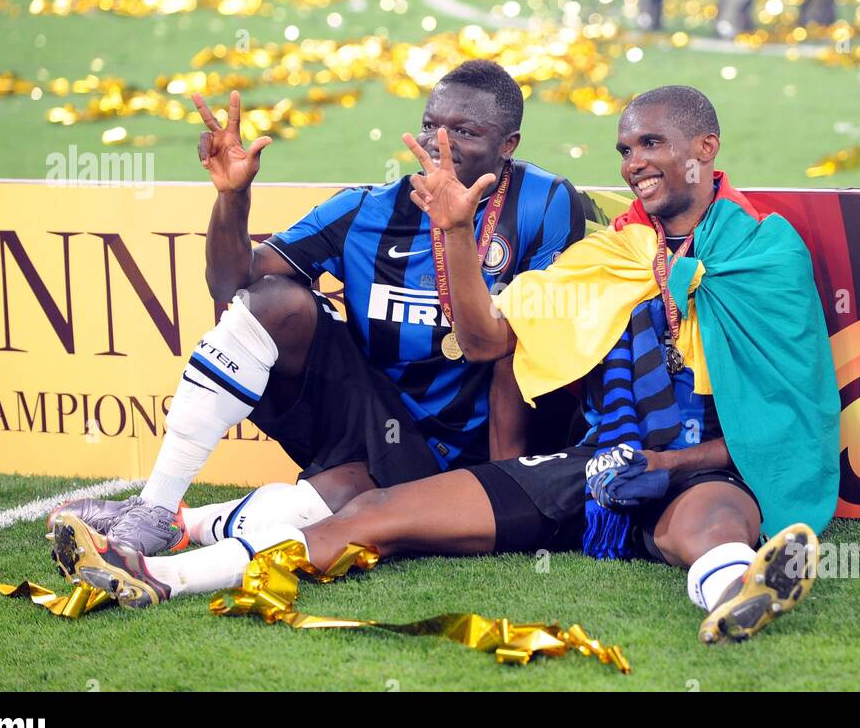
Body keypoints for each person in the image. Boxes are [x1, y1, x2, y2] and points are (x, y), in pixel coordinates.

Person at [51, 85, 841, 644]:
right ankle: (161, 563)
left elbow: (781, 422)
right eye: (627, 147)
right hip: (557, 463)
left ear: (707, 148)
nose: (634, 160)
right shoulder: (612, 251)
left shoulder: (761, 250)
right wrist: (453, 230)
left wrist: (663, 462)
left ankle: (740, 586)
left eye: (652, 143)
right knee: (357, 509)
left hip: (689, 467)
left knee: (710, 520)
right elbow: (497, 337)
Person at [48, 60, 596, 556]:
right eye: (431, 124)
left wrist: (502, 481)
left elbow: (502, 345)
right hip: (382, 423)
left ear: (509, 143)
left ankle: (185, 528)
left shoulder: (547, 204)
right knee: (273, 302)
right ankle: (156, 505)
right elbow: (230, 283)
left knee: (338, 499)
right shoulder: (367, 209)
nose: (439, 143)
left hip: (493, 436)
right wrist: (232, 198)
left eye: (467, 132)